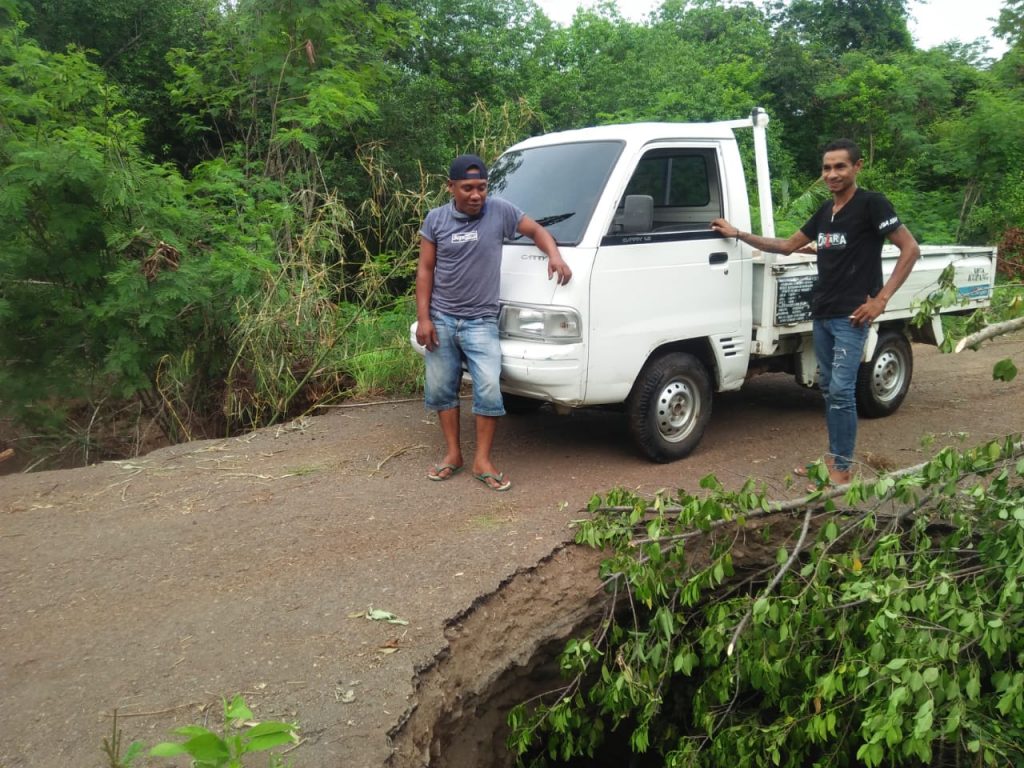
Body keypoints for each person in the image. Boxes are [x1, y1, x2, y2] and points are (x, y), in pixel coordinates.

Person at [711, 138, 920, 486]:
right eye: (827, 168)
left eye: (840, 166)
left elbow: (910, 249)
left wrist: (880, 300)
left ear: (857, 167)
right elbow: (787, 246)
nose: (832, 174)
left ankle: (841, 469)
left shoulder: (872, 205)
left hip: (853, 316)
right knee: (828, 388)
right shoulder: (826, 212)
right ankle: (834, 458)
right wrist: (738, 234)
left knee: (841, 389)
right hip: (822, 313)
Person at [415, 153, 572, 491]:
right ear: (451, 187)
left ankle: (482, 460)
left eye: (482, 188)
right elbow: (425, 269)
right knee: (443, 389)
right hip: (442, 318)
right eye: (468, 188)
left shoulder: (500, 211)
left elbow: (535, 230)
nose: (476, 195)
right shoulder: (436, 220)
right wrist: (424, 318)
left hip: (481, 320)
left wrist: (555, 255)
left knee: (488, 387)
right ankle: (453, 454)